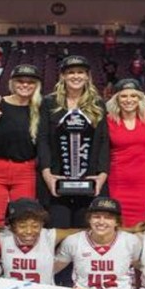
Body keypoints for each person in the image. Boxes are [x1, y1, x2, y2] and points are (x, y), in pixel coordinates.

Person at [37, 55, 110, 228]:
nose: (76, 76)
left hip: (90, 178)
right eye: (71, 72)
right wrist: (47, 174)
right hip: (56, 177)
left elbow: (104, 142)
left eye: (81, 72)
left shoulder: (98, 103)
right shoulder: (49, 102)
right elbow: (43, 139)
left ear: (87, 76)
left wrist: (101, 176)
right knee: (58, 229)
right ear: (63, 76)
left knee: (84, 232)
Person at [0, 64, 43, 226]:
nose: (25, 85)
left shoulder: (41, 108)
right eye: (20, 81)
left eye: (30, 82)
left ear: (37, 85)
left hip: (26, 171)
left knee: (23, 221)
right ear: (12, 83)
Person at [106, 78, 145, 227]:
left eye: (133, 96)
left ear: (140, 98)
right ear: (116, 98)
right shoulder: (107, 121)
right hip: (118, 182)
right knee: (120, 227)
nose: (129, 100)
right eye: (123, 96)